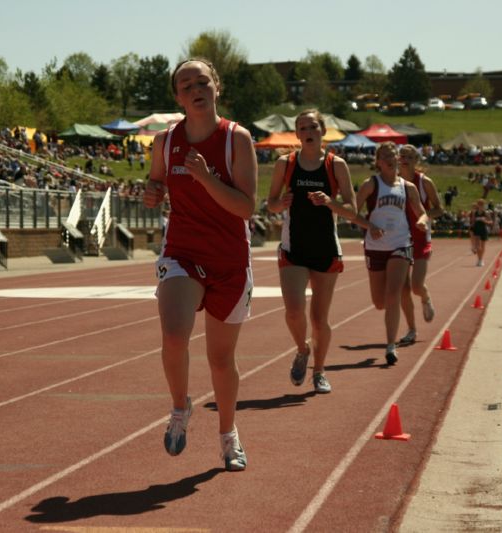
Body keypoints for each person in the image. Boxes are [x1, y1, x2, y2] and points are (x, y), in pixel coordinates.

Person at [143, 58, 257, 471]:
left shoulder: (236, 139)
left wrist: (208, 179)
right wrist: (152, 192)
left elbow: (246, 208)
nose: (195, 88)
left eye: (202, 81)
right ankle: (179, 408)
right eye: (186, 84)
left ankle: (228, 435)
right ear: (178, 97)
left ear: (216, 87)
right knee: (174, 334)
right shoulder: (165, 141)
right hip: (182, 254)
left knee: (220, 359)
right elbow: (155, 181)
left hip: (229, 260)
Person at [266, 109, 357, 394]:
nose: (308, 132)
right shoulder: (286, 163)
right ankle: (302, 349)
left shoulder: (336, 165)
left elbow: (353, 211)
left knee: (319, 319)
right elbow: (269, 203)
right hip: (294, 247)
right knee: (294, 311)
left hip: (326, 249)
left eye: (313, 127)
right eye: (302, 127)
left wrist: (330, 202)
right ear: (297, 134)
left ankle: (319, 371)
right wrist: (280, 204)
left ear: (322, 131)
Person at [355, 142, 428, 365]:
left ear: (397, 159)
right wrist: (369, 226)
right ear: (378, 162)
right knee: (379, 302)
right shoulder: (370, 185)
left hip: (400, 244)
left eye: (392, 154)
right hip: (375, 247)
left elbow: (422, 213)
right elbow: (351, 212)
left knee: (393, 293)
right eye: (384, 155)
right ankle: (392, 321)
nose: (389, 158)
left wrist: (422, 222)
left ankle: (390, 346)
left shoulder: (408, 187)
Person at [396, 144, 444, 346]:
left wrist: (424, 218)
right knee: (402, 288)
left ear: (416, 161)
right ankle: (411, 330)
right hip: (398, 239)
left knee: (416, 285)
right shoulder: (391, 183)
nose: (405, 159)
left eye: (409, 156)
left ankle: (425, 297)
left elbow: (439, 209)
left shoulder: (425, 183)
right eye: (402, 156)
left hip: (421, 238)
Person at [471, 198, 492, 266]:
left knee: (482, 247)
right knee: (478, 246)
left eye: (482, 204)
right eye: (479, 204)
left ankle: (481, 260)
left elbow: (491, 222)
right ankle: (479, 259)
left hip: (483, 230)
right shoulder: (475, 213)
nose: (480, 206)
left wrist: (484, 221)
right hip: (477, 230)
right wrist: (472, 228)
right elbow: (473, 222)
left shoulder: (485, 213)